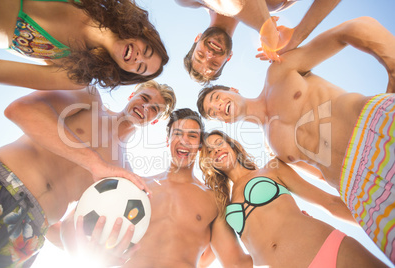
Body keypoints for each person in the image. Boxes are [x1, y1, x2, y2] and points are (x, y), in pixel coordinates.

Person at [196, 16, 395, 262]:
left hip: (379, 130)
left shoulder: (279, 71)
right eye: (212, 112)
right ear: (224, 122)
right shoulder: (276, 151)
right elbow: (324, 180)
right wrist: (367, 217)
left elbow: (350, 30)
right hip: (361, 191)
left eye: (216, 97)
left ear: (232, 90)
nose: (217, 107)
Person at [0, 80, 176, 267]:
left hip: (30, 233)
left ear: (154, 120)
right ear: (132, 96)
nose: (145, 107)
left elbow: (67, 228)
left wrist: (91, 252)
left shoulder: (123, 174)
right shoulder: (90, 99)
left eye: (154, 109)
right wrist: (94, 163)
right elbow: (20, 110)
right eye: (144, 98)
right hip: (0, 183)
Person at [73, 108, 250, 267]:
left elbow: (236, 263)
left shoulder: (214, 200)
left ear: (199, 146)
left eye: (192, 135)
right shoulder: (135, 186)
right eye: (178, 134)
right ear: (168, 140)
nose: (184, 141)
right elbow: (82, 231)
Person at [200, 130, 387, 267]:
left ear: (232, 145)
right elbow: (215, 258)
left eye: (219, 143)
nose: (216, 150)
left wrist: (381, 226)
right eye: (209, 151)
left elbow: (328, 202)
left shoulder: (272, 168)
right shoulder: (222, 207)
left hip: (328, 249)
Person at [0, 0, 169, 90]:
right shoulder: (88, 3)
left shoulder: (75, 75)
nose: (139, 58)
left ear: (126, 71)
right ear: (140, 34)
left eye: (140, 68)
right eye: (146, 50)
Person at [178, 0, 341, 84]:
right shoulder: (275, 5)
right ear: (229, 57)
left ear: (197, 38)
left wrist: (266, 29)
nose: (209, 54)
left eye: (200, 55)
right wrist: (298, 36)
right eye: (214, 64)